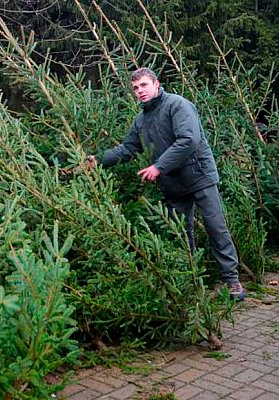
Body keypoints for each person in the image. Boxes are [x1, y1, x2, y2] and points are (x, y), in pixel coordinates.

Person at [87, 67, 245, 301]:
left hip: (199, 175)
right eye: (135, 88)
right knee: (181, 233)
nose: (140, 91)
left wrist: (158, 167)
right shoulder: (141, 120)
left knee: (216, 227)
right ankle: (190, 281)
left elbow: (188, 139)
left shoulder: (177, 105)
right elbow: (127, 149)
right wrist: (98, 160)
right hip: (173, 184)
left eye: (143, 85)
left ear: (156, 84)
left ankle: (231, 281)